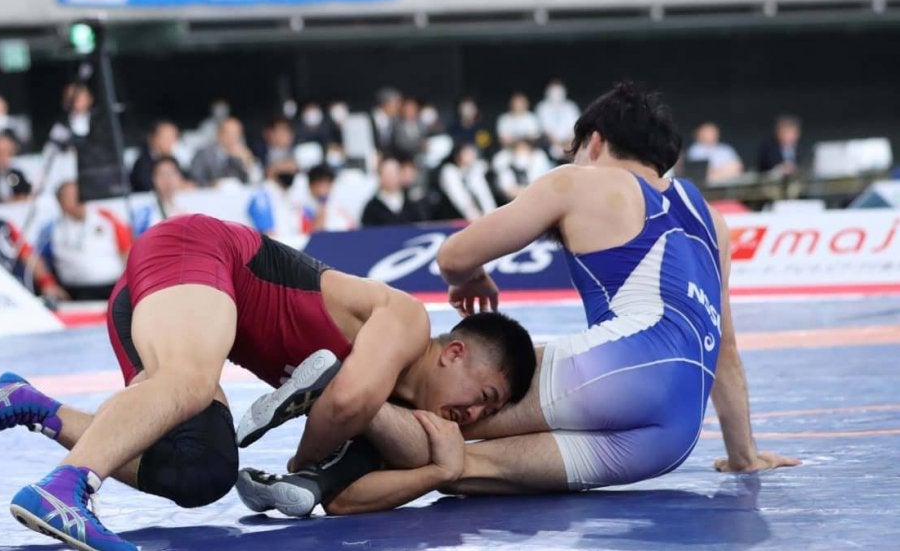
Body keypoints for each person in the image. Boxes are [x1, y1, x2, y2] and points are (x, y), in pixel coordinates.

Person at [238, 82, 800, 518]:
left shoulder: (583, 180)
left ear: (594, 142)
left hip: (622, 367)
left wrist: (472, 278)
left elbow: (453, 255)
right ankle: (316, 483)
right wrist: (744, 455)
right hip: (675, 433)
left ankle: (334, 386)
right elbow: (725, 349)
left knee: (444, 411)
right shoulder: (712, 220)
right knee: (457, 467)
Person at [0, 212, 536, 551]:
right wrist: (303, 465)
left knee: (198, 470)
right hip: (201, 253)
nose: (473, 416)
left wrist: (437, 473)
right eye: (483, 397)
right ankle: (65, 488)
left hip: (172, 300)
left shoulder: (390, 408)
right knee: (188, 382)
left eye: (487, 415)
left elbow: (336, 500)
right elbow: (348, 401)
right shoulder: (407, 320)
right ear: (454, 352)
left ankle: (31, 405)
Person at [37, 181, 131, 300]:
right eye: (69, 196)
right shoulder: (51, 229)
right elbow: (38, 260)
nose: (77, 199)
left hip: (113, 286)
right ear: (60, 202)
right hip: (76, 291)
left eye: (79, 194)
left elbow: (127, 250)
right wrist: (48, 283)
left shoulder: (106, 217)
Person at [246, 157, 311, 243]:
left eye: (292, 170)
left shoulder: (294, 194)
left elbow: (306, 223)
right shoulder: (262, 195)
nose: (290, 173)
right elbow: (266, 230)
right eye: (285, 169)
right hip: (275, 244)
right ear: (271, 170)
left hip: (296, 242)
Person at [189, 117, 258, 187]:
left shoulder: (243, 153)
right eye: (228, 133)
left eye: (236, 133)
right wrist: (210, 184)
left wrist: (249, 162)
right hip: (211, 193)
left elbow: (256, 180)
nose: (232, 137)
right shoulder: (203, 154)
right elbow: (194, 179)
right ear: (219, 134)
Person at [361, 155, 425, 226]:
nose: (391, 177)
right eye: (388, 174)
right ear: (380, 177)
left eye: (394, 173)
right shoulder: (372, 208)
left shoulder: (411, 202)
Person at [132, 156, 188, 236]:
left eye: (171, 174)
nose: (167, 179)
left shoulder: (186, 209)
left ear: (179, 177)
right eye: (162, 174)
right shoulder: (144, 213)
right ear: (153, 178)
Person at [129, 120, 181, 193]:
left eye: (173, 137)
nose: (171, 142)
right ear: (153, 138)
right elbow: (145, 185)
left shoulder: (173, 159)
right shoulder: (142, 163)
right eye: (166, 137)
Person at [535, 79, 581, 160]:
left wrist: (569, 142)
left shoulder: (571, 106)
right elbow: (545, 129)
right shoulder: (542, 107)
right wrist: (557, 143)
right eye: (554, 89)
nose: (557, 93)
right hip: (550, 144)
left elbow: (576, 126)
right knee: (554, 151)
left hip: (570, 141)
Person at [307, 163, 356, 232]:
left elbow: (353, 229)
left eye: (328, 184)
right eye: (320, 184)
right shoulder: (303, 210)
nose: (324, 189)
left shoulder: (339, 209)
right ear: (311, 186)